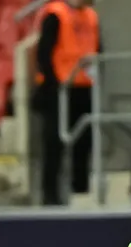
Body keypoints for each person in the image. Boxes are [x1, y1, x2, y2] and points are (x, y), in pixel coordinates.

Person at [33, 0, 101, 205]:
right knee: (54, 143)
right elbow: (43, 54)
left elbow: (98, 48)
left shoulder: (91, 16)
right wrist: (55, 84)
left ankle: (80, 190)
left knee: (84, 140)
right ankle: (50, 196)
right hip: (59, 89)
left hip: (84, 87)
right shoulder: (55, 14)